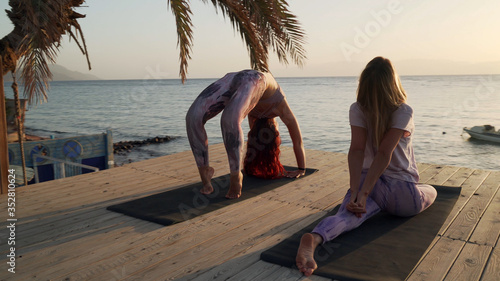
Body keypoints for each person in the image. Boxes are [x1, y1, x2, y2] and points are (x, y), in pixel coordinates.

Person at [295, 57, 437, 276]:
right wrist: (363, 193)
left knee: (346, 217)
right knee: (431, 191)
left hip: (364, 182)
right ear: (393, 83)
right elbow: (384, 153)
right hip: (400, 191)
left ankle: (314, 238)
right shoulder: (404, 111)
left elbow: (357, 150)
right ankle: (384, 198)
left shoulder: (357, 108)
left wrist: (357, 192)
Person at [186, 69, 306, 199]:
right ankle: (220, 173)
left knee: (195, 118)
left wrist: (300, 168)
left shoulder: (253, 115)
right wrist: (301, 169)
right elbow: (297, 142)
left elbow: (295, 142)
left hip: (234, 78)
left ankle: (219, 175)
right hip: (255, 79)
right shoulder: (281, 107)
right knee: (221, 119)